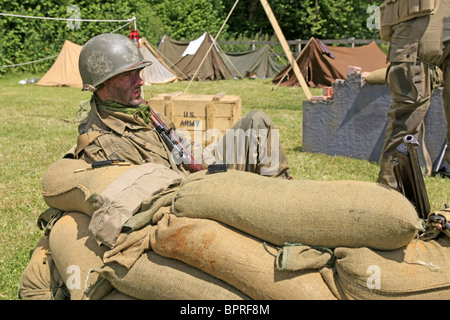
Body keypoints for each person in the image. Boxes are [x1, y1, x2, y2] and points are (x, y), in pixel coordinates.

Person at [73, 32, 291, 179]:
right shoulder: (105, 142)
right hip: (188, 195)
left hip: (197, 171)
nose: (140, 81)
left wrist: (211, 161)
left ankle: (280, 197)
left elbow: (182, 146)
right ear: (102, 84)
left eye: (139, 73)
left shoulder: (140, 112)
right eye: (128, 75)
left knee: (256, 122)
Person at [377, 0, 450, 189]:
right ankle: (389, 201)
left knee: (406, 115)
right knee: (407, 115)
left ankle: (390, 195)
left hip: (419, 21)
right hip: (420, 17)